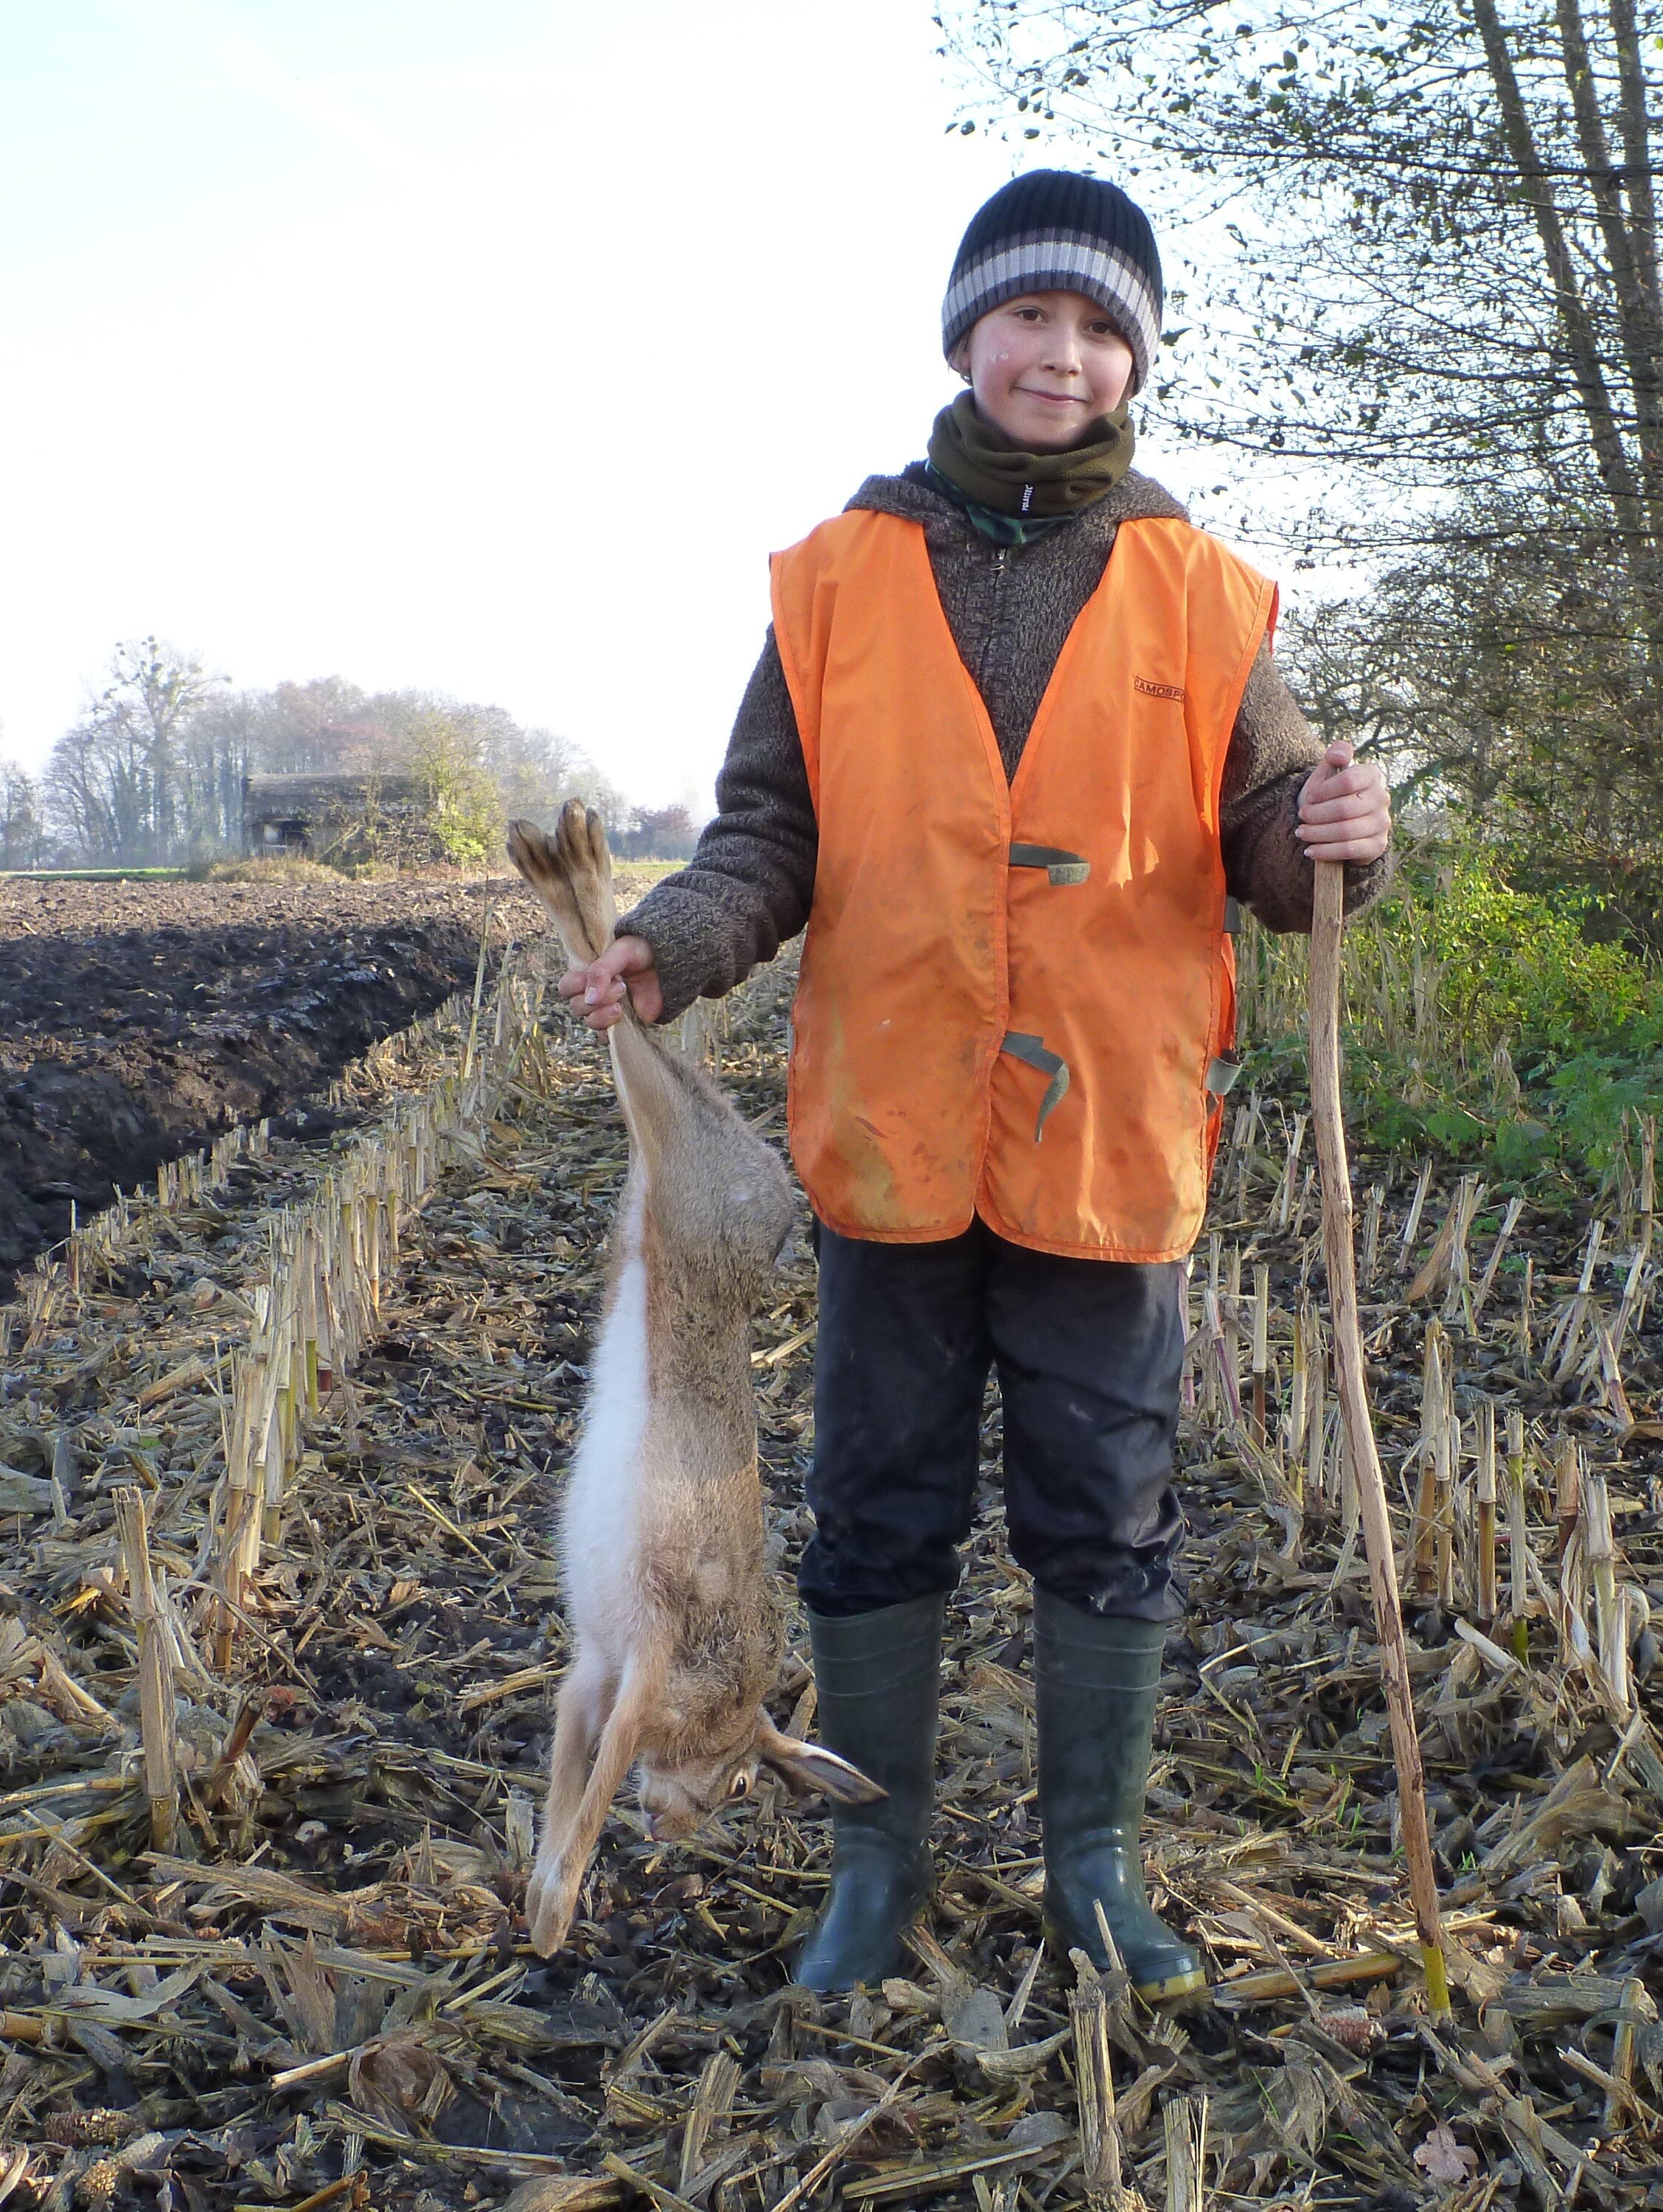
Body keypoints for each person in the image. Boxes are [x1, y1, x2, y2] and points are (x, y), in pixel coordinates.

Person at [557, 170, 1394, 2001]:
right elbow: (765, 837)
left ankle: (1093, 1869)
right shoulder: (841, 575)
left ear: (1134, 365)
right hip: (889, 1125)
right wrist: (666, 946)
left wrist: (1339, 832)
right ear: (963, 335)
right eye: (1030, 317)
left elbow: (1269, 842)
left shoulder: (1204, 588)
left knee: (1104, 1505)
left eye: (1101, 329)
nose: (1062, 354)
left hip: (1109, 1128)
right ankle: (879, 1867)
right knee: (877, 1499)